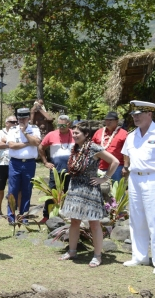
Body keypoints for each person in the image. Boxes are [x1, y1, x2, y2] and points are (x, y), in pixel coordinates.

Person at [58, 122, 119, 267]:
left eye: (78, 133)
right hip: (75, 188)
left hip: (90, 189)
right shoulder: (76, 148)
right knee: (74, 221)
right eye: (74, 132)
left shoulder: (93, 148)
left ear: (86, 135)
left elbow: (115, 161)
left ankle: (97, 256)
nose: (74, 135)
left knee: (94, 223)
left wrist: (104, 178)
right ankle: (72, 251)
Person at [121, 100, 155, 269]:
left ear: (149, 114)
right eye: (134, 115)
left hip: (152, 178)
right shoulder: (131, 135)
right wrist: (126, 168)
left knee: (153, 220)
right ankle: (140, 256)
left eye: (139, 114)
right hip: (134, 178)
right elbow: (126, 155)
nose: (135, 117)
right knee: (137, 219)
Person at [6, 108, 41, 223]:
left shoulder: (34, 129)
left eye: (24, 118)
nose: (22, 120)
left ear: (28, 118)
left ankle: (23, 216)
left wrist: (25, 133)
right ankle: (11, 217)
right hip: (15, 163)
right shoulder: (12, 130)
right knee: (13, 190)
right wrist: (28, 143)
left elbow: (36, 143)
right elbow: (11, 145)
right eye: (20, 118)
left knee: (27, 190)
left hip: (29, 164)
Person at [38, 115, 73, 221]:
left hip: (72, 171)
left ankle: (68, 215)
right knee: (52, 192)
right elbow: (40, 147)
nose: (60, 127)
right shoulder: (51, 134)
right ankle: (47, 216)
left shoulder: (75, 134)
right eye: (59, 125)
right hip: (56, 170)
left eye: (63, 125)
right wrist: (45, 162)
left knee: (70, 193)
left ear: (68, 124)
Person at [92, 111, 127, 182]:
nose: (108, 122)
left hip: (117, 167)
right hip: (99, 166)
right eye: (106, 120)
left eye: (110, 120)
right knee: (100, 189)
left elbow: (127, 152)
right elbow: (92, 148)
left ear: (117, 121)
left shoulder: (123, 133)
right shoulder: (99, 132)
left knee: (115, 190)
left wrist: (125, 167)